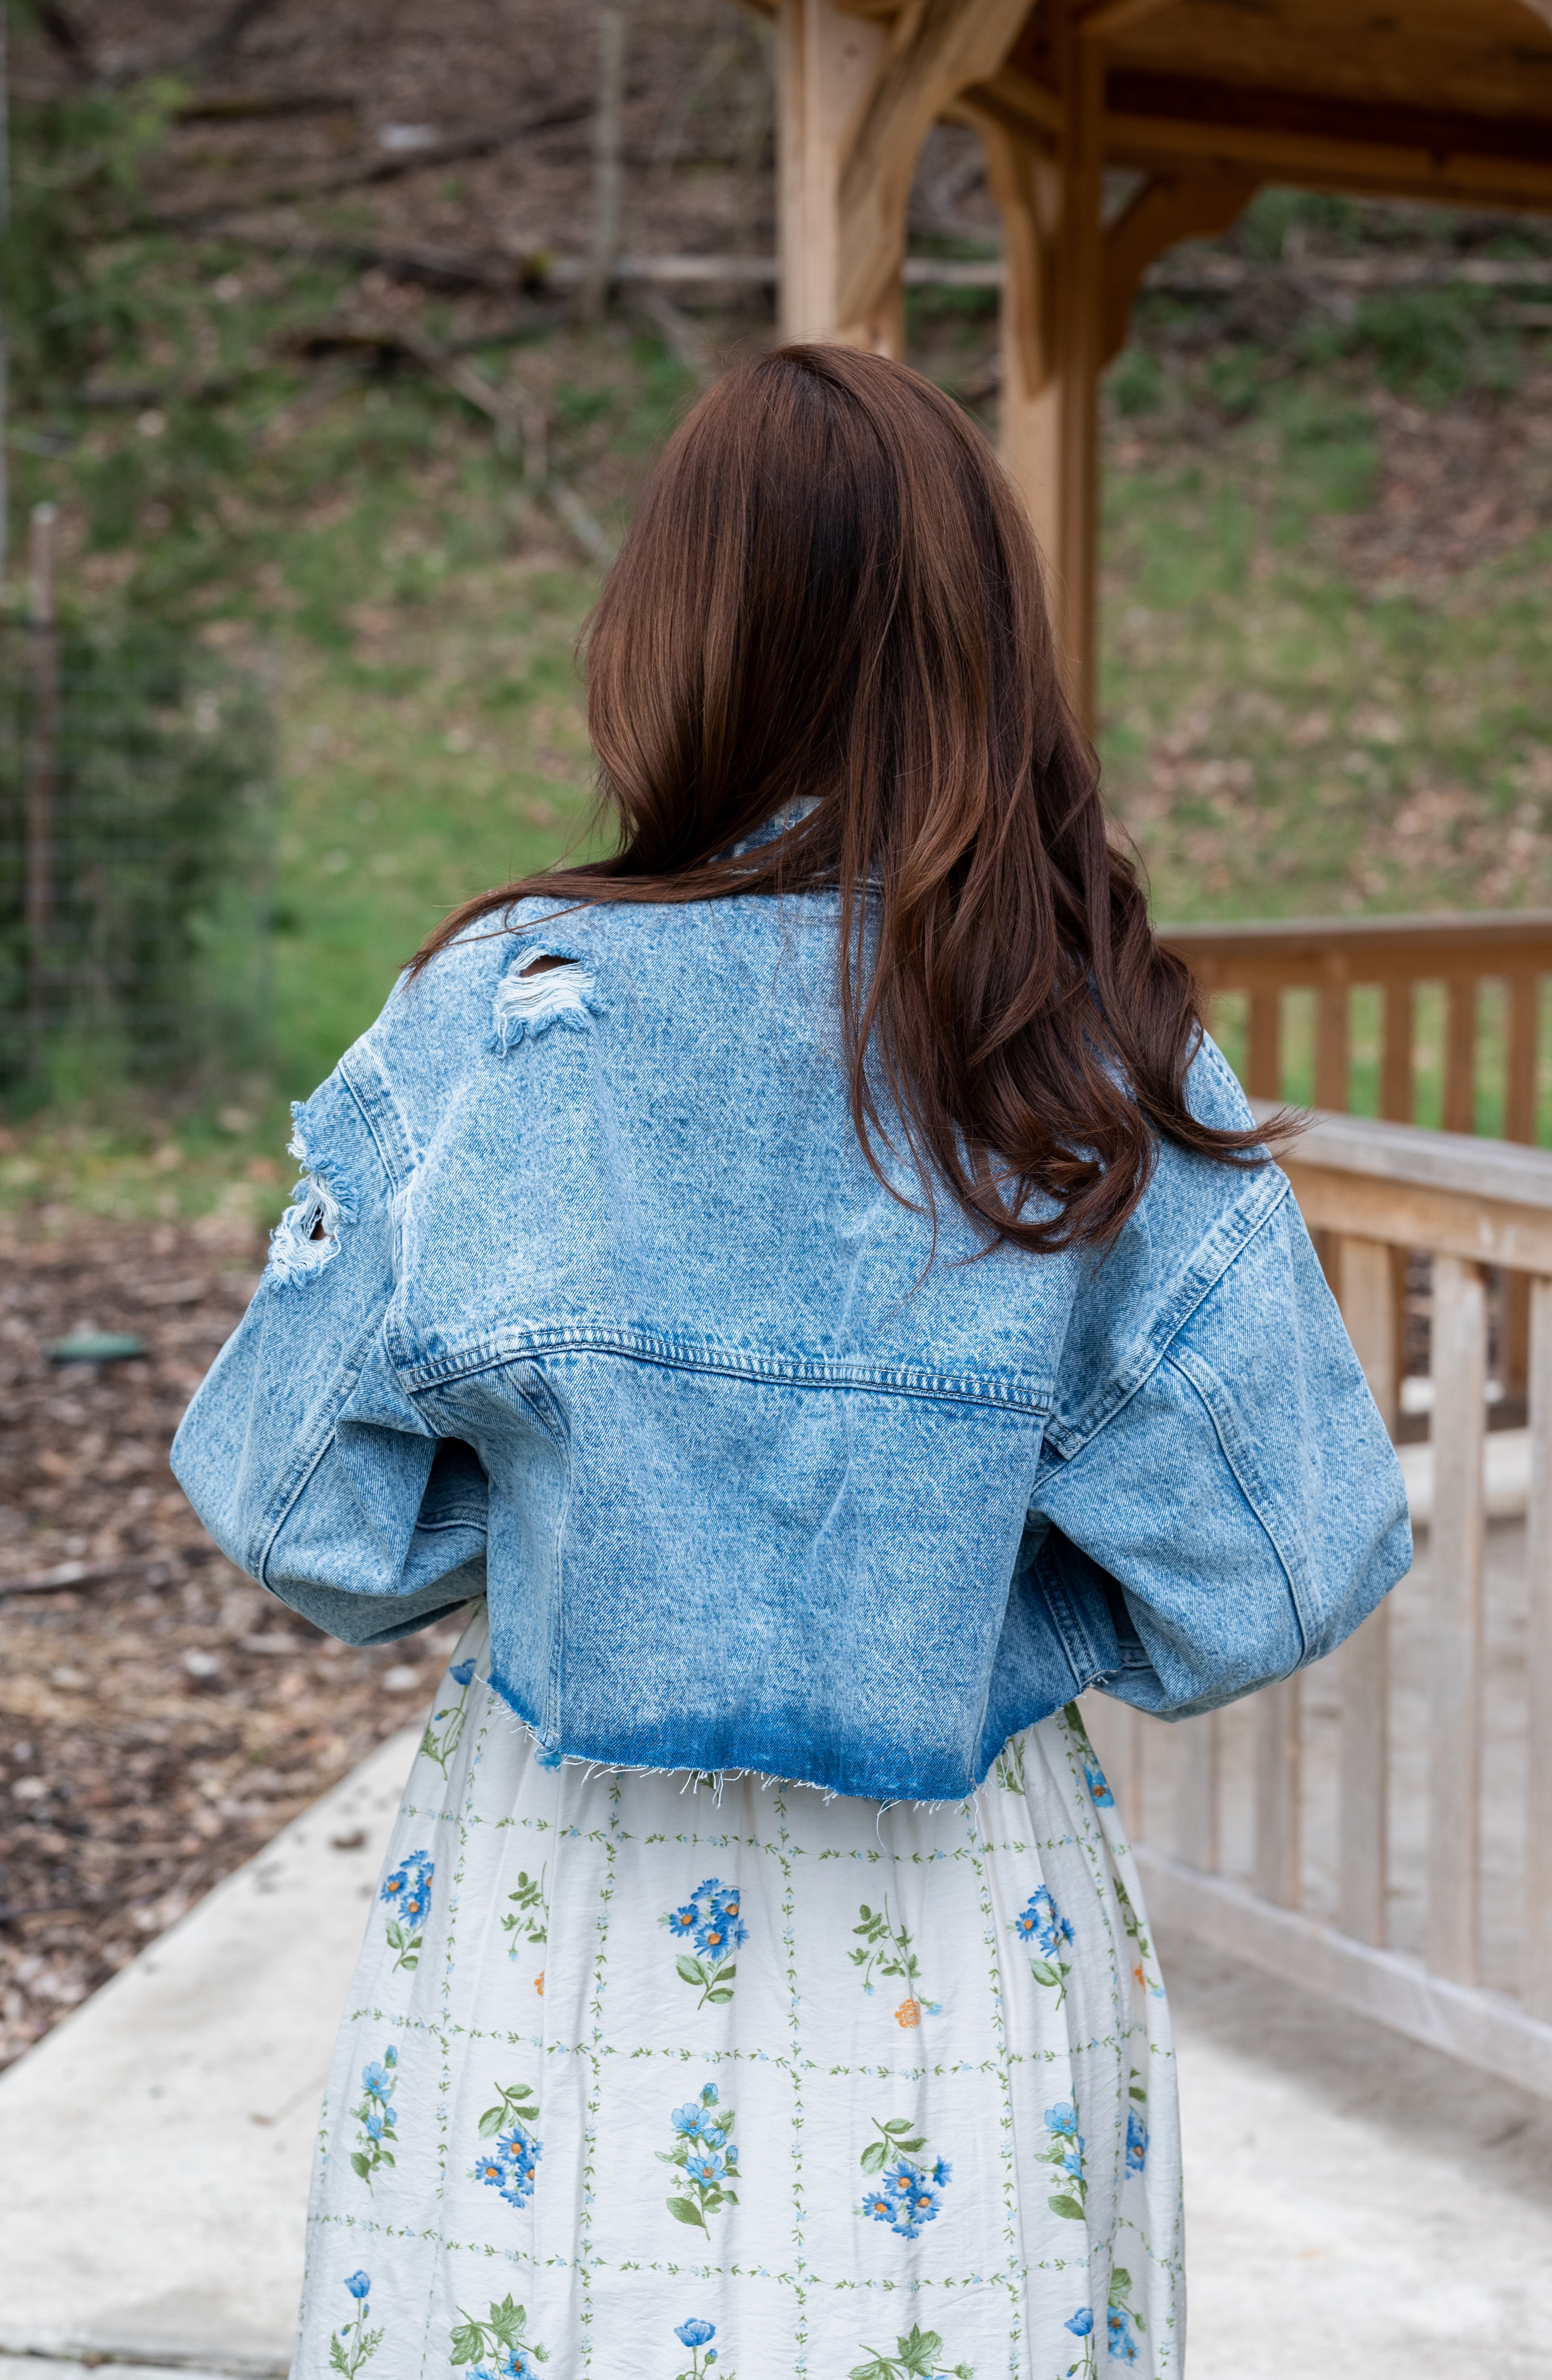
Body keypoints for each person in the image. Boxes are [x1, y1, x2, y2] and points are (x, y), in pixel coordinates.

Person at [173, 344, 1409, 2380]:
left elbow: (300, 1513)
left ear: (675, 634)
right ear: (993, 648)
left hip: (556, 1924)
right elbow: (1279, 1565)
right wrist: (959, 1601)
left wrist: (586, 1530)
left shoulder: (502, 1016)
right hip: (958, 1940)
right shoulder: (1082, 1054)